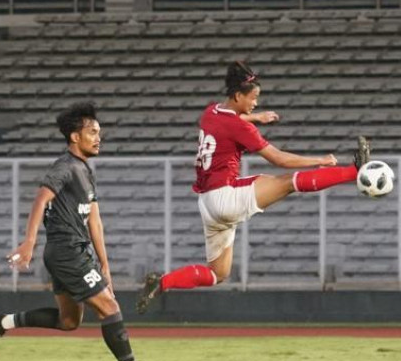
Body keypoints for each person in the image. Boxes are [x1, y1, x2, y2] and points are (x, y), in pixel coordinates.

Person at [136, 61, 371, 313]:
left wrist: (255, 117)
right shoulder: (240, 126)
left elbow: (230, 120)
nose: (256, 103)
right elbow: (279, 158)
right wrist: (320, 160)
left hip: (207, 204)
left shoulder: (210, 113)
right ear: (238, 95)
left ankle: (161, 282)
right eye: (253, 98)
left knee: (218, 274)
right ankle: (356, 172)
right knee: (286, 181)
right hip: (225, 197)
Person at [0, 103, 159, 361]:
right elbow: (41, 198)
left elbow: (95, 222)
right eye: (92, 132)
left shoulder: (86, 171)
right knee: (109, 307)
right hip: (67, 251)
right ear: (75, 137)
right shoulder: (65, 167)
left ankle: (2, 322)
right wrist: (29, 242)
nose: (98, 137)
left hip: (69, 252)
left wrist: (104, 263)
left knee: (69, 321)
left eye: (99, 132)